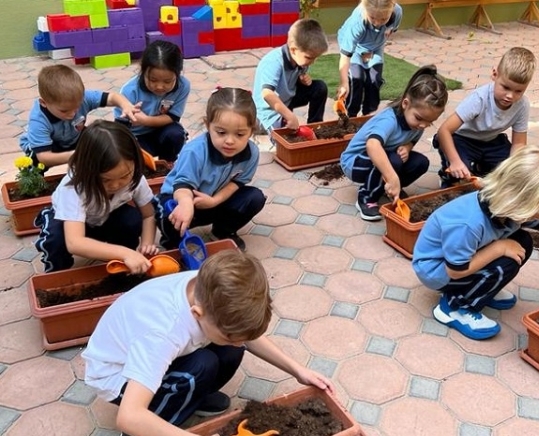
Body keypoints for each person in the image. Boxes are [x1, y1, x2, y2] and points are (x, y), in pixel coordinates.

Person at [82, 249, 334, 436]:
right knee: (202, 365)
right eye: (229, 335)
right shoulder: (162, 334)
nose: (239, 342)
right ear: (197, 314)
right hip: (118, 376)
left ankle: (193, 397)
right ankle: (157, 420)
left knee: (230, 351)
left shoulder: (208, 286)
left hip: (156, 352)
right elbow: (128, 416)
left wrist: (298, 371)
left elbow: (243, 336)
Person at [412, 146, 539, 340]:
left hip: (462, 259)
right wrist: (499, 248)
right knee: (505, 262)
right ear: (517, 201)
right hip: (438, 271)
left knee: (522, 242)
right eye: (536, 210)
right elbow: (455, 271)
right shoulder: (468, 224)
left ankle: (483, 290)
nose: (538, 216)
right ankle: (455, 307)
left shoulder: (507, 208)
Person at [34, 120, 158, 273]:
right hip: (68, 224)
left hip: (104, 217)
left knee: (131, 220)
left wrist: (147, 243)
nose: (115, 185)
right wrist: (124, 253)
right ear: (87, 169)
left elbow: (148, 215)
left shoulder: (136, 178)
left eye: (124, 176)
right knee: (55, 239)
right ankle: (57, 274)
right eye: (105, 179)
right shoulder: (74, 188)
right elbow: (74, 242)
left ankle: (122, 265)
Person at [157, 87, 265, 252]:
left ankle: (222, 231)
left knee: (254, 197)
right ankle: (173, 242)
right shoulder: (195, 151)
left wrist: (214, 201)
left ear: (251, 130)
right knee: (168, 214)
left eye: (239, 134)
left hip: (212, 200)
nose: (230, 141)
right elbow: (182, 185)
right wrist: (186, 205)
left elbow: (237, 182)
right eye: (221, 132)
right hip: (181, 198)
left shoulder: (252, 153)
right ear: (208, 125)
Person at [340, 65, 448, 221]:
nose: (423, 125)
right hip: (354, 162)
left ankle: (388, 189)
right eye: (419, 118)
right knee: (394, 161)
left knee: (421, 163)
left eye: (430, 122)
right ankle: (367, 197)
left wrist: (408, 147)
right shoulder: (389, 120)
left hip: (384, 157)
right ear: (405, 104)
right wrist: (392, 177)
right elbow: (372, 145)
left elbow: (412, 139)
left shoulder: (417, 123)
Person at [433, 47, 536, 187]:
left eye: (518, 91)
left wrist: (512, 169)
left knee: (515, 170)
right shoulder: (479, 99)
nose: (510, 96)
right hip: (462, 139)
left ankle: (481, 168)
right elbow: (444, 130)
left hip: (491, 142)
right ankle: (448, 176)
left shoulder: (522, 105)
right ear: (495, 74)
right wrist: (455, 162)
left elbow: (519, 143)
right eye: (505, 87)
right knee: (460, 174)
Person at [18, 64, 138, 170]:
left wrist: (126, 105)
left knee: (98, 142)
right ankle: (33, 186)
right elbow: (44, 157)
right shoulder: (38, 120)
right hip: (47, 147)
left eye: (76, 107)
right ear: (44, 103)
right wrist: (77, 155)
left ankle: (94, 176)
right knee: (33, 164)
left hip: (74, 137)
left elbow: (112, 97)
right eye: (64, 111)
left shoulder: (82, 98)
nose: (72, 114)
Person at [116, 40, 190, 162]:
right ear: (143, 72)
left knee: (176, 134)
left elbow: (173, 117)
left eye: (167, 81)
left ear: (177, 74)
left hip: (162, 130)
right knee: (132, 154)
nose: (159, 87)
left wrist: (145, 120)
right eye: (153, 80)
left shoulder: (183, 86)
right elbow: (120, 128)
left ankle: (168, 163)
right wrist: (130, 119)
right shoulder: (129, 91)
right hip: (137, 136)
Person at [253, 18, 329, 135]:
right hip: (267, 110)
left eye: (315, 58)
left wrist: (302, 80)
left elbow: (295, 77)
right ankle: (264, 125)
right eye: (309, 57)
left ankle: (315, 127)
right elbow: (267, 94)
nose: (312, 62)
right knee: (287, 136)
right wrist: (289, 115)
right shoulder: (274, 62)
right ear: (293, 50)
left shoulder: (300, 60)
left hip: (287, 99)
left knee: (320, 87)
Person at [336, 0, 402, 117]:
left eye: (383, 19)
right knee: (356, 79)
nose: (377, 23)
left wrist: (389, 28)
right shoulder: (356, 22)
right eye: (372, 18)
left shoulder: (397, 12)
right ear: (365, 9)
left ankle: (369, 116)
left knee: (374, 80)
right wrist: (344, 83)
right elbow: (345, 56)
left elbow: (393, 27)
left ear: (391, 9)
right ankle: (349, 116)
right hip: (355, 47)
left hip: (375, 47)